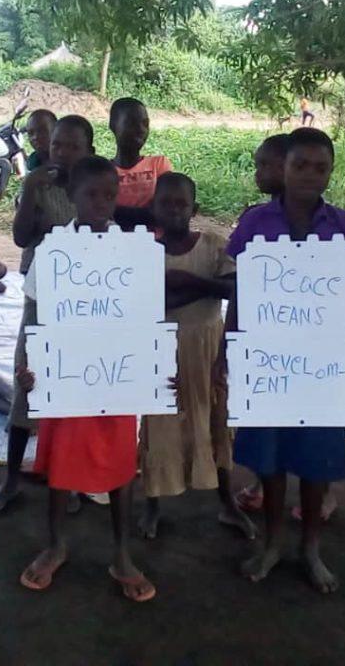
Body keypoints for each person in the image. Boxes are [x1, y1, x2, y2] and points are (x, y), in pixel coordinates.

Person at [220, 127, 345, 594]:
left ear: (331, 172)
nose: (310, 175)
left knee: (316, 461)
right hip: (269, 359)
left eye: (321, 168)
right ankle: (274, 542)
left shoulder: (343, 226)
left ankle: (310, 548)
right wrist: (227, 350)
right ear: (284, 167)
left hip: (324, 363)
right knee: (271, 461)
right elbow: (241, 293)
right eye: (300, 166)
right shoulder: (256, 222)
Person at [17, 154, 159, 603]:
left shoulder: (133, 249)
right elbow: (35, 313)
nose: (102, 203)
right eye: (92, 194)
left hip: (116, 374)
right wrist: (27, 364)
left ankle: (121, 552)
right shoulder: (53, 250)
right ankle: (56, 543)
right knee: (60, 461)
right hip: (66, 373)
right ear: (71, 196)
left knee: (120, 464)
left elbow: (147, 315)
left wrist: (156, 366)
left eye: (110, 195)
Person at [0, 115, 94, 514]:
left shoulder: (93, 188)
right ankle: (11, 478)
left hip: (84, 302)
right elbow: (23, 236)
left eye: (71, 146)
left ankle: (70, 477)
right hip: (42, 296)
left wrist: (54, 231)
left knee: (73, 386)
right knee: (27, 379)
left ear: (89, 151)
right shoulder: (39, 184)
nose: (60, 152)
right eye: (57, 144)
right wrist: (29, 189)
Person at [138, 172, 255, 540]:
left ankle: (226, 502)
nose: (173, 210)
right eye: (165, 204)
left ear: (194, 209)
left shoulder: (214, 246)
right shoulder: (145, 254)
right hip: (162, 351)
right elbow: (148, 302)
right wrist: (208, 289)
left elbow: (240, 290)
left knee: (215, 417)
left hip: (208, 348)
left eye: (181, 204)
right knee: (160, 424)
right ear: (152, 209)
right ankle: (153, 505)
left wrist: (190, 283)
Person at [109, 97, 172, 227]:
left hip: (154, 244)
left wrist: (115, 211)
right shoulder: (103, 170)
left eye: (145, 123)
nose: (141, 129)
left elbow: (164, 213)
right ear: (113, 125)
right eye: (131, 123)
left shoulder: (159, 165)